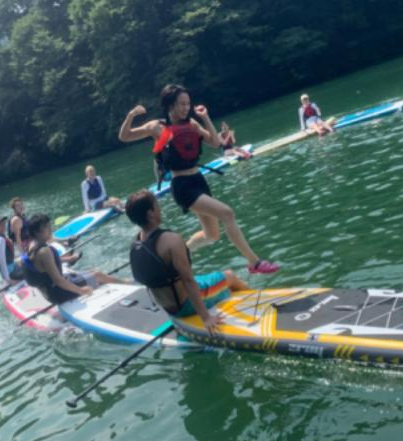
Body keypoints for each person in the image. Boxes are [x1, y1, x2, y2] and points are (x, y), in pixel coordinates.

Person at [118, 84, 279, 274]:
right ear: (170, 105)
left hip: (199, 181)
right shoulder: (158, 127)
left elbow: (215, 142)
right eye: (181, 104)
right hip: (182, 186)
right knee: (227, 213)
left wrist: (205, 117)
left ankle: (178, 253)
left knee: (212, 235)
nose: (186, 108)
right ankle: (254, 263)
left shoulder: (192, 124)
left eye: (188, 103)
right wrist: (131, 115)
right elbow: (125, 136)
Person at [126, 190, 249, 334]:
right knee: (230, 276)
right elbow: (188, 281)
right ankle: (254, 303)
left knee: (213, 282)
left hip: (167, 306)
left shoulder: (136, 244)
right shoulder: (170, 240)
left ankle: (225, 295)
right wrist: (206, 318)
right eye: (156, 206)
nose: (160, 209)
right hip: (186, 305)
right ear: (150, 213)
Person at [20, 214, 127, 304]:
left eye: (49, 226)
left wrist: (67, 247)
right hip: (58, 293)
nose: (51, 229)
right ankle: (130, 284)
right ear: (37, 232)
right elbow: (58, 280)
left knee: (93, 272)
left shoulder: (31, 246)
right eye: (47, 227)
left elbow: (46, 267)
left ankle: (124, 285)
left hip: (49, 292)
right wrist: (81, 291)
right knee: (97, 275)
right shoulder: (44, 251)